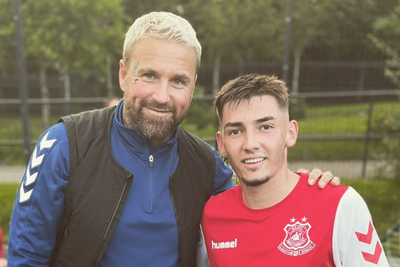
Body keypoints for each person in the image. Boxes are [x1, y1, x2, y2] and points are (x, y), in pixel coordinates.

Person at [8, 12, 339, 267]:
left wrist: (308, 190)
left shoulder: (207, 165)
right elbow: (27, 256)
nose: (162, 96)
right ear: (124, 74)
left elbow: (258, 208)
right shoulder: (65, 145)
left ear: (193, 86)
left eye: (178, 81)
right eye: (149, 75)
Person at [201, 74, 389, 266]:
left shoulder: (342, 205)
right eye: (235, 131)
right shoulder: (210, 215)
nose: (250, 144)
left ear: (290, 133)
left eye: (265, 127)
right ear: (221, 143)